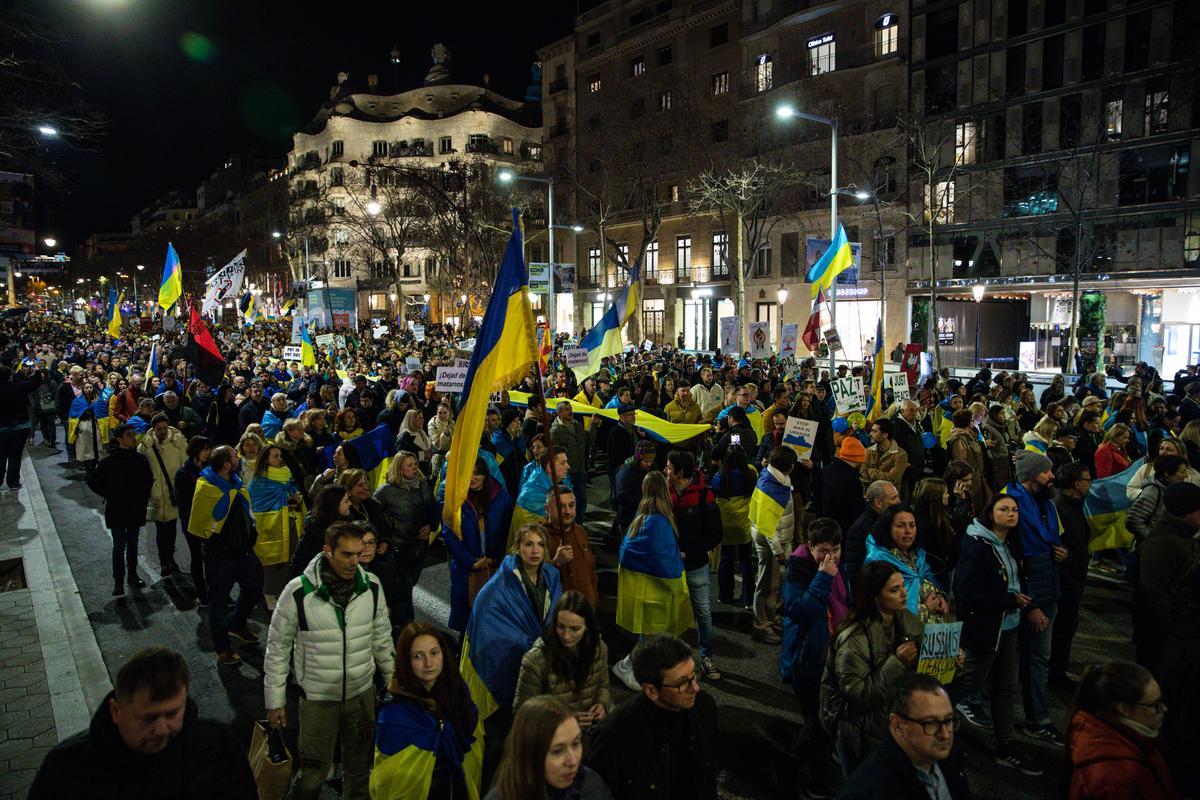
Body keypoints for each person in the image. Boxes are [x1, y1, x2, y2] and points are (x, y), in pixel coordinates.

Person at [263, 521, 395, 800]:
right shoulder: (298, 592)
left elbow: (382, 639)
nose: (354, 561)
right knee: (312, 774)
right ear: (327, 551)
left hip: (361, 695)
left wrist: (393, 680)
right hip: (318, 699)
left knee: (359, 771)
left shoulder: (371, 586)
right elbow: (277, 648)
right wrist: (274, 701)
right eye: (346, 554)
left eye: (358, 553)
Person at [27, 646, 257, 799]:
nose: (161, 729)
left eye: (172, 714)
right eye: (148, 718)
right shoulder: (66, 767)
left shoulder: (217, 745)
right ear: (116, 711)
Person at [954, 494, 1043, 776]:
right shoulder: (978, 548)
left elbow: (1020, 578)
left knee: (1005, 689)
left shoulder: (1011, 543)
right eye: (1004, 509)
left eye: (1014, 510)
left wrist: (1027, 605)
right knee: (967, 688)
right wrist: (1009, 600)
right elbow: (967, 594)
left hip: (1009, 628)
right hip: (985, 630)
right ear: (990, 514)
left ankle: (1005, 746)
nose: (1011, 514)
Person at [819, 561, 923, 776]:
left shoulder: (903, 619)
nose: (904, 594)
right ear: (875, 597)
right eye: (895, 590)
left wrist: (949, 658)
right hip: (857, 730)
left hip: (889, 724)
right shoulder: (854, 640)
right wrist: (897, 663)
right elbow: (857, 695)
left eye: (903, 586)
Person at [588, 634, 718, 800]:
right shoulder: (613, 736)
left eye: (693, 675)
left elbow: (708, 774)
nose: (695, 688)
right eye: (682, 683)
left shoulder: (704, 706)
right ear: (651, 691)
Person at [371, 622, 484, 799]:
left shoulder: (457, 690)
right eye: (418, 656)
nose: (428, 663)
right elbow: (390, 783)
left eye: (434, 653)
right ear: (406, 661)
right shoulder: (393, 715)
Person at [779, 517, 848, 799]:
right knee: (817, 723)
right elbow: (797, 609)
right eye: (823, 550)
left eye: (835, 549)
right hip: (807, 659)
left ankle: (818, 774)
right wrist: (822, 578)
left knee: (824, 721)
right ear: (810, 546)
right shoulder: (799, 568)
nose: (830, 557)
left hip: (833, 654)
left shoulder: (837, 568)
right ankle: (790, 768)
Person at [612, 472, 694, 690]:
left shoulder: (641, 519)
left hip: (650, 589)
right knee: (652, 632)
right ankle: (628, 666)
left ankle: (636, 665)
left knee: (649, 632)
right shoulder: (660, 521)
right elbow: (661, 555)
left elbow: (632, 552)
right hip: (662, 588)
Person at [838, 673, 970, 800]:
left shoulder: (951, 757)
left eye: (948, 720)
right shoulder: (867, 792)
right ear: (898, 725)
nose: (945, 735)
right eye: (931, 723)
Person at [188, 445, 263, 665]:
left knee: (254, 589)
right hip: (220, 557)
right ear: (227, 464)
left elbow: (246, 512)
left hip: (244, 551)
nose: (238, 457)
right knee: (218, 603)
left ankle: (237, 624)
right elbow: (199, 523)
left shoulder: (236, 484)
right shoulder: (207, 486)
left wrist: (252, 533)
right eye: (234, 455)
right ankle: (223, 648)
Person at [1067, 661, 1182, 800]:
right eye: (1155, 705)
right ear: (1124, 708)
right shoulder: (1112, 779)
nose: (1164, 709)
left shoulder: (1140, 739)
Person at [665, 449, 724, 676]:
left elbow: (715, 535)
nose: (665, 471)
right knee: (670, 613)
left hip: (696, 564)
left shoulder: (704, 495)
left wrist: (689, 553)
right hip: (669, 566)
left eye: (669, 468)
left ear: (680, 472)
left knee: (703, 612)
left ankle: (706, 656)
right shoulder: (664, 490)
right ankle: (672, 659)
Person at [488, 695, 614, 800]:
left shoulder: (592, 786)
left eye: (575, 743)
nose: (573, 761)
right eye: (557, 751)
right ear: (529, 753)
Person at [514, 591, 612, 722]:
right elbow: (522, 714)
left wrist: (602, 704)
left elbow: (604, 687)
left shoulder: (598, 649)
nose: (566, 635)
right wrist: (564, 721)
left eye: (575, 629)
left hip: (589, 729)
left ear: (587, 626)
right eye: (560, 626)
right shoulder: (536, 660)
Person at [1133, 481, 1200, 671]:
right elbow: (1154, 592)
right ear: (1187, 513)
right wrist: (1171, 629)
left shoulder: (1182, 536)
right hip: (1159, 633)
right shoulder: (1163, 543)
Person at [444, 459, 513, 632]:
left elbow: (507, 531)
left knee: (493, 619)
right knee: (468, 622)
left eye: (477, 473)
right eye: (469, 473)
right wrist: (470, 562)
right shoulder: (457, 500)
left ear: (485, 475)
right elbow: (450, 535)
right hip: (466, 568)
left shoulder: (501, 498)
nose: (473, 478)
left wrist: (494, 559)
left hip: (494, 567)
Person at [87, 423, 155, 597]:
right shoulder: (109, 462)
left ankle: (132, 575)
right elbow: (93, 482)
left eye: (133, 434)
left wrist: (142, 497)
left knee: (132, 544)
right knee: (119, 546)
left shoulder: (139, 459)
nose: (133, 438)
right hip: (117, 509)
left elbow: (148, 480)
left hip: (134, 508)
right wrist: (110, 494)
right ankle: (118, 582)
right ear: (119, 439)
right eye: (129, 435)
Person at [374, 451, 439, 622]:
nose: (414, 468)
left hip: (419, 549)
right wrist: (385, 539)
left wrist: (430, 525)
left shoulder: (423, 485)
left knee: (409, 585)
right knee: (403, 590)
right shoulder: (385, 492)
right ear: (399, 468)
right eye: (409, 465)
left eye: (415, 464)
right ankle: (404, 627)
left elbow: (433, 511)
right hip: (398, 550)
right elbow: (374, 519)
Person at [1050, 462, 1094, 692]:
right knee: (1063, 627)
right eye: (1088, 480)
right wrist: (1069, 561)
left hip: (1074, 577)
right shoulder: (1060, 508)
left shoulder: (1075, 505)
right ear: (1076, 484)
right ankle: (1056, 675)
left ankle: (1058, 670)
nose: (1091, 484)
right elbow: (1057, 546)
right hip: (1066, 581)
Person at [864, 505, 949, 622]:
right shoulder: (880, 560)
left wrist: (940, 598)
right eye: (901, 526)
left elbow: (928, 582)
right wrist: (926, 609)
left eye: (912, 525)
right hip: (901, 635)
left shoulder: (919, 555)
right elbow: (882, 609)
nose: (908, 531)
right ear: (888, 528)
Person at [748, 446, 797, 645]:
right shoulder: (770, 485)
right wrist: (779, 552)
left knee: (775, 583)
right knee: (767, 584)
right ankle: (762, 624)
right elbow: (769, 528)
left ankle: (773, 617)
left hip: (781, 540)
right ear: (790, 466)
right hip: (771, 544)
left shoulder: (777, 479)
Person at [248, 443, 305, 607]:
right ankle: (269, 595)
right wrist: (286, 500)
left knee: (288, 561)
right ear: (265, 460)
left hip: (291, 524)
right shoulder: (259, 482)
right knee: (272, 563)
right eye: (275, 456)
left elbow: (291, 494)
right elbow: (257, 508)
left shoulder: (286, 475)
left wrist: (296, 500)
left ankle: (284, 593)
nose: (280, 459)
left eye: (280, 456)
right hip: (270, 529)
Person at [137, 413, 188, 576]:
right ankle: (163, 561)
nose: (163, 431)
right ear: (153, 429)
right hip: (157, 494)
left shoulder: (178, 444)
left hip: (172, 492)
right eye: (159, 429)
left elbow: (185, 466)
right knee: (161, 530)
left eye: (165, 428)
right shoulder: (147, 446)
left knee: (172, 529)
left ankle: (170, 559)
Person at [712, 444, 757, 608]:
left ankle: (725, 595)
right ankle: (748, 600)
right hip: (744, 524)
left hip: (726, 525)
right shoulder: (751, 475)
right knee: (746, 562)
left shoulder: (719, 478)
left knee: (726, 559)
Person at [543, 485, 599, 608]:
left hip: (586, 610)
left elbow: (591, 568)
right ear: (547, 509)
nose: (567, 511)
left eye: (571, 505)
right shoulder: (539, 538)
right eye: (560, 506)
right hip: (560, 617)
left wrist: (593, 597)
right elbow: (531, 579)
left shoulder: (580, 531)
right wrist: (556, 562)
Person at [842, 480, 900, 589]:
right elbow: (853, 568)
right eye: (894, 498)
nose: (899, 501)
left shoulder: (884, 522)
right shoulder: (863, 528)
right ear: (878, 503)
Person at [174, 435, 212, 605]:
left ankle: (214, 591)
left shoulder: (209, 469)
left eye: (208, 450)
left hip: (209, 520)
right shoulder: (183, 473)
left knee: (211, 558)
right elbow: (183, 502)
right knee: (197, 556)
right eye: (205, 450)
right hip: (192, 521)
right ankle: (202, 594)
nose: (208, 453)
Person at [0, 363, 44, 488]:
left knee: (1, 456)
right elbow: (34, 384)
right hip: (19, 427)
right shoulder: (17, 387)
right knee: (15, 455)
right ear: (10, 377)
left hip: (1, 429)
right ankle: (13, 482)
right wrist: (36, 371)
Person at [817, 436, 868, 537]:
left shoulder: (824, 471)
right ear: (858, 460)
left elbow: (817, 498)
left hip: (823, 526)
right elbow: (856, 512)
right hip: (842, 531)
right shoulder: (853, 481)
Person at [551, 400, 590, 522]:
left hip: (579, 470)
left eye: (571, 408)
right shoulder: (555, 431)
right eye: (567, 409)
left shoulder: (577, 425)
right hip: (567, 474)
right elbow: (554, 454)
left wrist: (593, 426)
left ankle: (579, 527)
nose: (570, 411)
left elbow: (587, 440)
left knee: (581, 501)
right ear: (559, 412)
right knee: (569, 503)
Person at [612, 440, 655, 535]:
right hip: (628, 517)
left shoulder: (650, 468)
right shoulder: (626, 471)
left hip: (641, 516)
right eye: (646, 461)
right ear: (638, 458)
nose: (648, 464)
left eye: (651, 461)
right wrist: (645, 500)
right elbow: (622, 495)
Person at [861, 419, 909, 490]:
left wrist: (871, 471)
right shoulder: (867, 451)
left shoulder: (900, 454)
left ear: (885, 435)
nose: (870, 434)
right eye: (871, 430)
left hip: (889, 497)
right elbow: (863, 476)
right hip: (870, 495)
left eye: (874, 431)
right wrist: (885, 476)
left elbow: (893, 479)